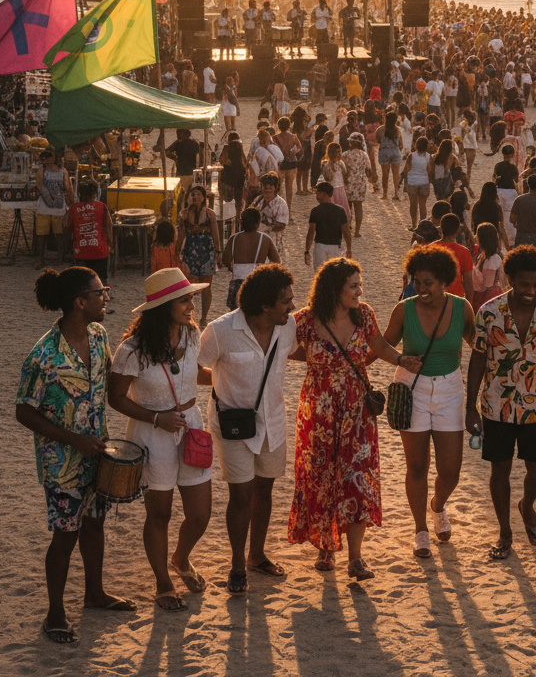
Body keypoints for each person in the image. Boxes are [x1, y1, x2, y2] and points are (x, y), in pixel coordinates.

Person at [17, 267, 133, 643]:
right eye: (101, 292)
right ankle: (54, 613)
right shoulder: (44, 354)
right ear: (80, 302)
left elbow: (114, 382)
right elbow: (23, 410)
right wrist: (72, 439)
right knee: (65, 536)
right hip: (61, 463)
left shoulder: (99, 337)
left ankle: (94, 594)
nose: (107, 298)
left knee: (96, 525)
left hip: (96, 452)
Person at [289, 260, 408, 576]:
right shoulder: (304, 320)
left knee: (357, 477)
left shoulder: (364, 314)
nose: (359, 290)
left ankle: (355, 557)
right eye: (353, 285)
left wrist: (402, 359)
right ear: (334, 289)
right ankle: (326, 548)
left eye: (360, 284)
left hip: (357, 409)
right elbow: (285, 348)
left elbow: (380, 345)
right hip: (319, 409)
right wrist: (317, 361)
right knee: (322, 476)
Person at [108, 269, 213, 610]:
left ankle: (180, 559)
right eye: (185, 300)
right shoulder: (132, 349)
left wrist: (233, 379)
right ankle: (163, 583)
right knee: (160, 514)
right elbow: (116, 397)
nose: (191, 305)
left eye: (192, 298)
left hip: (191, 426)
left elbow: (196, 373)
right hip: (151, 433)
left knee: (201, 513)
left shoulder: (192, 335)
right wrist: (156, 417)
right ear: (165, 306)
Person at [465, 246, 536, 559]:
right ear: (509, 278)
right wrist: (470, 406)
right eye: (524, 284)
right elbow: (477, 359)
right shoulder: (489, 312)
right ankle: (505, 533)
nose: (531, 291)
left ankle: (527, 507)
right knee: (499, 471)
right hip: (496, 405)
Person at [198, 264, 297, 596]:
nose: (292, 307)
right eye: (285, 301)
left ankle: (257, 555)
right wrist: (226, 385)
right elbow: (198, 368)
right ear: (265, 305)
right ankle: (237, 564)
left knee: (264, 491)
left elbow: (290, 355)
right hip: (232, 424)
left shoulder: (287, 326)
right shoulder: (221, 330)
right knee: (239, 495)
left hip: (273, 421)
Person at [381, 247, 477, 557]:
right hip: (413, 389)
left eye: (428, 283)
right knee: (417, 465)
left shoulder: (463, 309)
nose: (420, 289)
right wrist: (399, 358)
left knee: (451, 471)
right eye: (416, 282)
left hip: (450, 390)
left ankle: (438, 506)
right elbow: (382, 344)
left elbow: (478, 342)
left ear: (446, 281)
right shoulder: (403, 310)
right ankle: (420, 528)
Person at [175, 184, 221, 326]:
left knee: (207, 287)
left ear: (203, 198)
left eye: (198, 195)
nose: (195, 197)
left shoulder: (209, 214)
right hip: (190, 252)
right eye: (192, 194)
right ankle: (190, 315)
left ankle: (203, 317)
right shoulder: (184, 214)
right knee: (189, 287)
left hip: (207, 252)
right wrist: (177, 252)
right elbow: (181, 235)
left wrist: (218, 252)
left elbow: (215, 234)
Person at [223, 206, 280, 310]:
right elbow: (276, 261)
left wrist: (232, 267)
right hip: (258, 281)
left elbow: (226, 260)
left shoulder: (234, 239)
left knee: (237, 315)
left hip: (237, 282)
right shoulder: (265, 239)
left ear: (241, 222)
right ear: (258, 223)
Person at [34, 148, 73, 268]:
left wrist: (70, 202)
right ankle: (42, 259)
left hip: (58, 207)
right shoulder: (42, 170)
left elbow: (67, 187)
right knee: (42, 235)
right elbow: (39, 186)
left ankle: (59, 258)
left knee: (59, 234)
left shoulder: (62, 171)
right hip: (45, 207)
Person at [69, 179, 112, 283]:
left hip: (80, 251)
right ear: (95, 193)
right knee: (100, 280)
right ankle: (102, 296)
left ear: (79, 193)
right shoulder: (101, 207)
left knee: (81, 281)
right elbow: (108, 227)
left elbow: (67, 227)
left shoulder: (74, 208)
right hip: (99, 250)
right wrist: (110, 244)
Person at [305, 181, 352, 269]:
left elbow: (311, 232)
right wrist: (349, 249)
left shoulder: (315, 211)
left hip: (320, 247)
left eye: (318, 193)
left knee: (320, 273)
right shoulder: (340, 211)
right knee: (334, 274)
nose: (317, 196)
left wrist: (307, 250)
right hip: (335, 247)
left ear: (324, 194)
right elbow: (346, 231)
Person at [251, 172, 289, 263]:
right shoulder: (258, 200)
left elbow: (281, 225)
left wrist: (265, 225)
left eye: (270, 188)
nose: (267, 190)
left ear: (275, 188)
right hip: (257, 243)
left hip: (273, 243)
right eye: (265, 188)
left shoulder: (281, 204)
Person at [509, 173, 536, 250]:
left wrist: (516, 225)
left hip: (521, 236)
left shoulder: (519, 200)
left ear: (528, 184)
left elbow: (512, 219)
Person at [342, 132, 374, 237]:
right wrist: (372, 181)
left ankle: (347, 228)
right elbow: (368, 170)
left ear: (350, 143)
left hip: (348, 183)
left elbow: (342, 170)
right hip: (360, 183)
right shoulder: (364, 155)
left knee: (348, 207)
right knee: (358, 207)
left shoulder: (345, 154)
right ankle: (357, 231)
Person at [438, 214, 475, 301]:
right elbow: (468, 283)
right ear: (458, 230)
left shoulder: (429, 249)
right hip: (456, 299)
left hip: (434, 299)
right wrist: (468, 306)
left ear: (440, 229)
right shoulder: (464, 252)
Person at [401, 134, 433, 229]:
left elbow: (406, 169)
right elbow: (429, 170)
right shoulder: (428, 156)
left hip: (412, 182)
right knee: (423, 205)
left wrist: (402, 180)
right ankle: (421, 225)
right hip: (424, 181)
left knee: (413, 205)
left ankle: (414, 224)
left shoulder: (412, 156)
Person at [470, 181, 510, 252]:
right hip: (494, 242)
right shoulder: (497, 207)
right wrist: (508, 248)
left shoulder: (477, 206)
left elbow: (472, 225)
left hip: (480, 240)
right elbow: (501, 228)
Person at [493, 143, 520, 244]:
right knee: (510, 213)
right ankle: (510, 240)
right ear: (512, 155)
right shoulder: (513, 167)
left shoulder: (498, 165)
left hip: (499, 190)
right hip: (511, 191)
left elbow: (494, 178)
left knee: (500, 214)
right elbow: (516, 181)